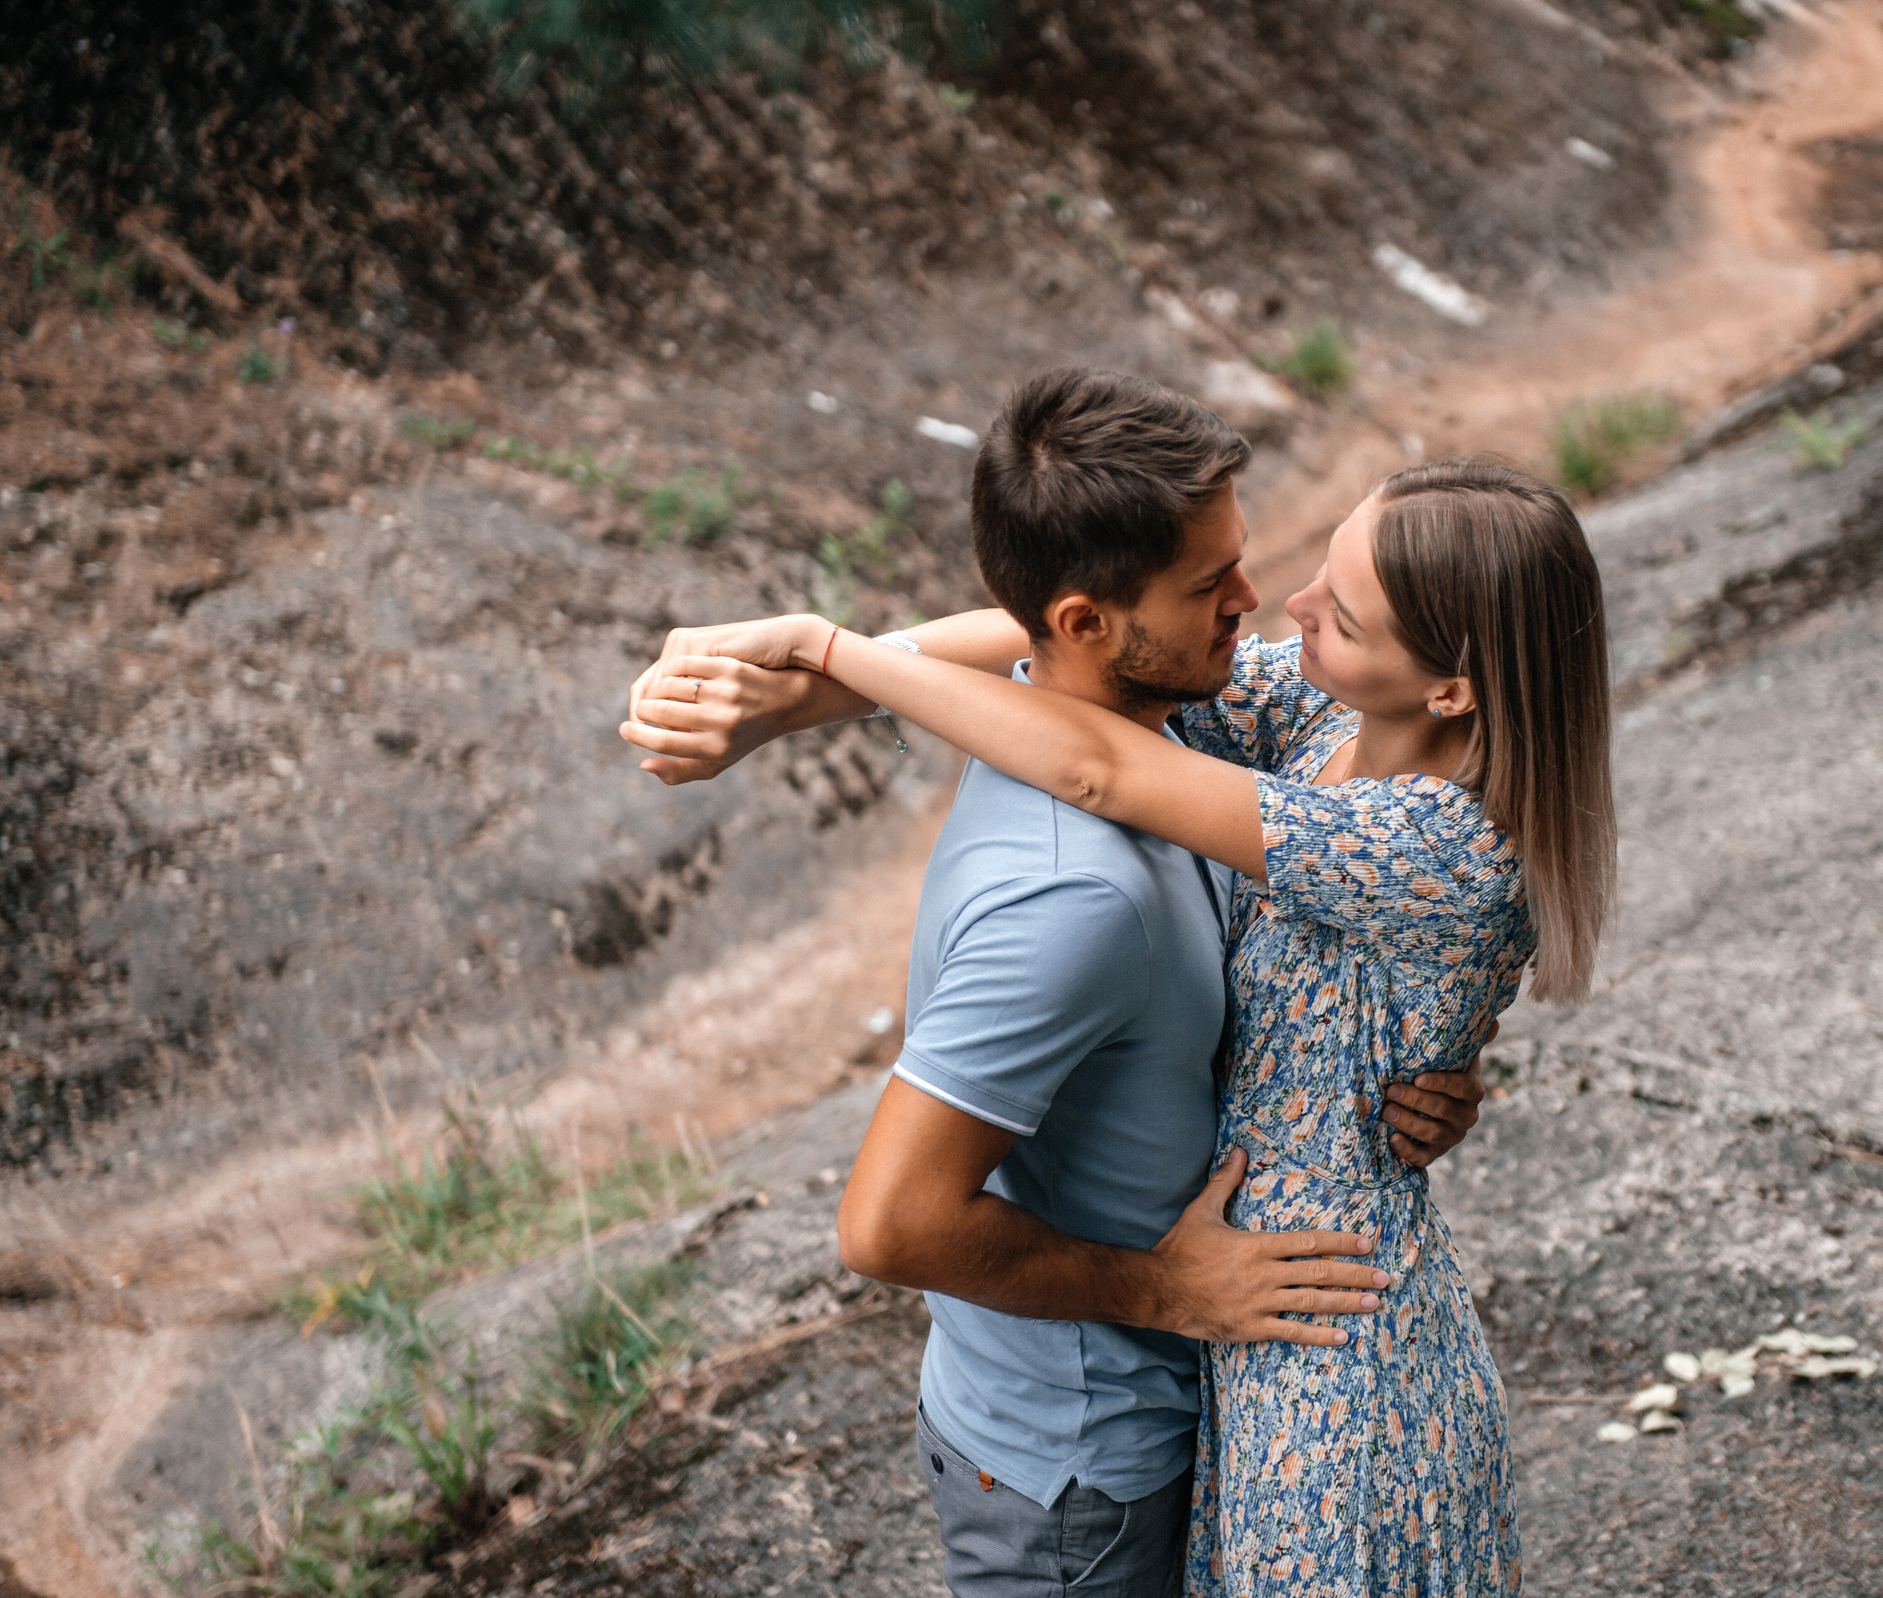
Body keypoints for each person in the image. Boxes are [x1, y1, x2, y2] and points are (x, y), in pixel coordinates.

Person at [626, 372, 1617, 1594]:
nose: (1280, 607)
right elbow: (1042, 639)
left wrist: (828, 652)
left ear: (1450, 687)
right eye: (1237, 582)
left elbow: (1092, 749)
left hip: (1327, 1365)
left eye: (1339, 611)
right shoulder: (1315, 719)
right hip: (1224, 1342)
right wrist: (793, 692)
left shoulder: (1427, 841)